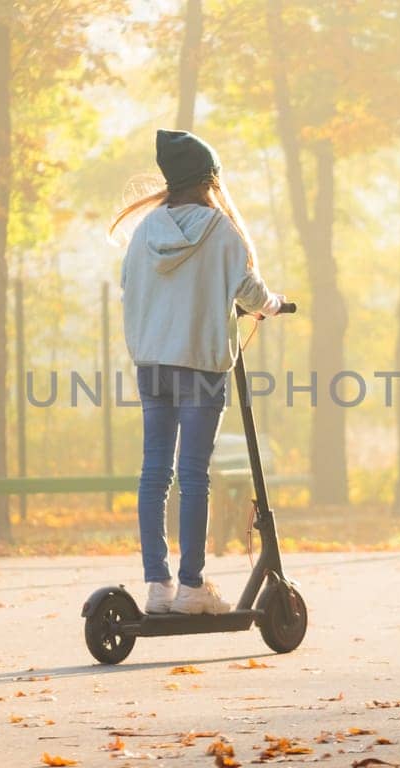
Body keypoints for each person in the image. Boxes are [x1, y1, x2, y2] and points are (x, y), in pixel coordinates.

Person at [109, 130, 284, 615]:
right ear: (209, 180)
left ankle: (157, 587)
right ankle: (191, 587)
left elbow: (129, 286)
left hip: (153, 364)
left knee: (154, 472)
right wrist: (271, 305)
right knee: (193, 473)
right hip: (201, 366)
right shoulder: (220, 231)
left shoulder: (145, 232)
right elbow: (249, 292)